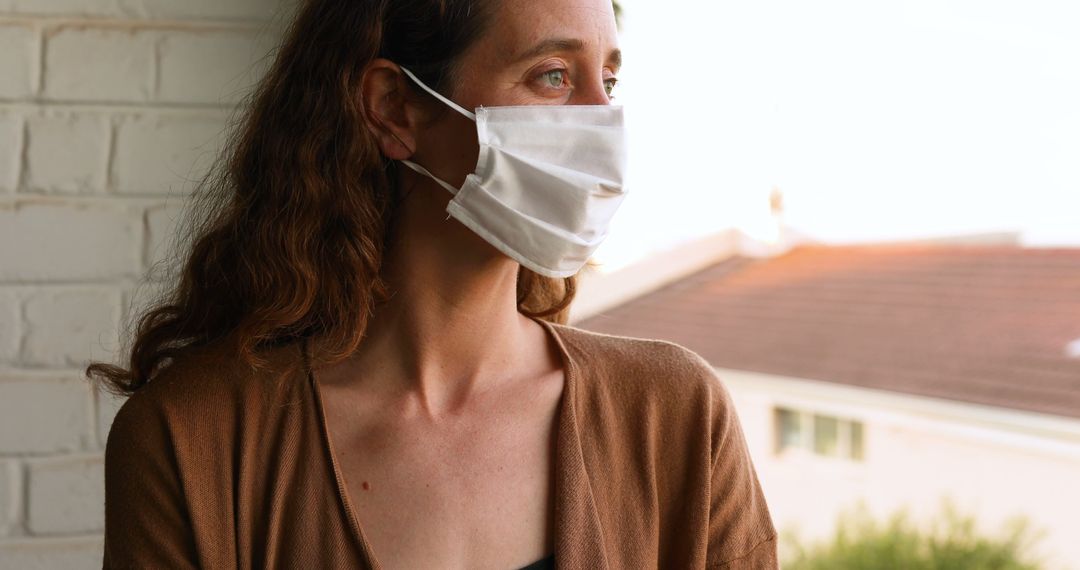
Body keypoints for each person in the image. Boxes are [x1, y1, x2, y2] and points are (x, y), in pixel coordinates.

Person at [88, 0, 779, 568]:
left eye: (611, 80)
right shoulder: (191, 441)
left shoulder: (677, 417)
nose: (602, 120)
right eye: (553, 76)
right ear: (394, 108)